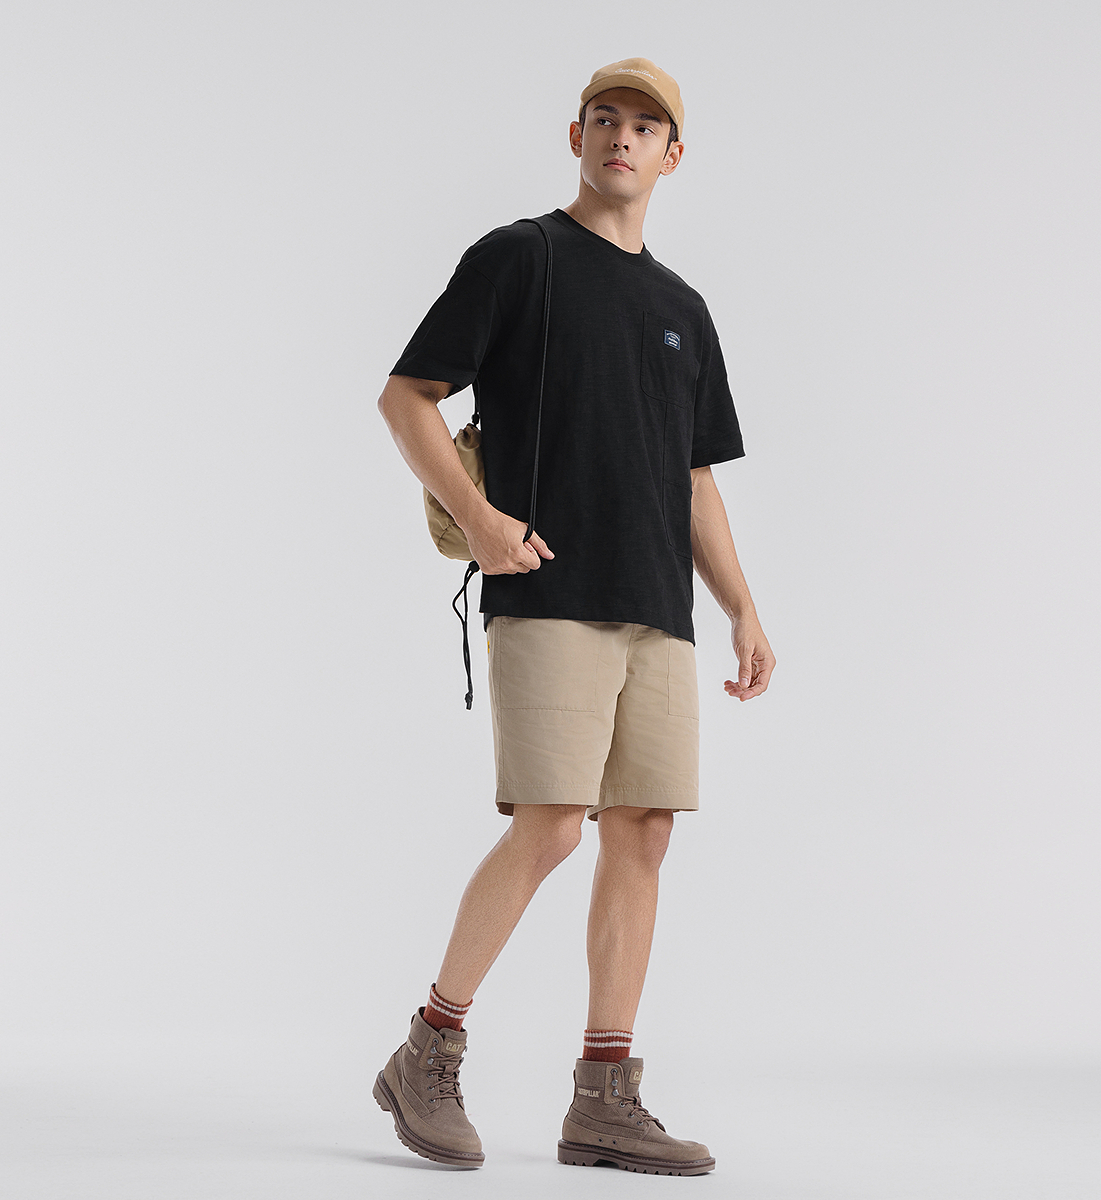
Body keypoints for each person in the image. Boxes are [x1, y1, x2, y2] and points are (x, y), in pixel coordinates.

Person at [373, 57, 775, 1176]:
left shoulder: (683, 310)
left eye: (645, 126)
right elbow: (407, 396)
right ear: (577, 135)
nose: (622, 137)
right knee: (553, 824)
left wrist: (742, 607)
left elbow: (694, 479)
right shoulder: (522, 257)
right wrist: (481, 522)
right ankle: (427, 1051)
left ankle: (604, 1099)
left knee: (642, 835)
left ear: (672, 156)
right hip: (549, 590)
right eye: (605, 118)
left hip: (659, 609)